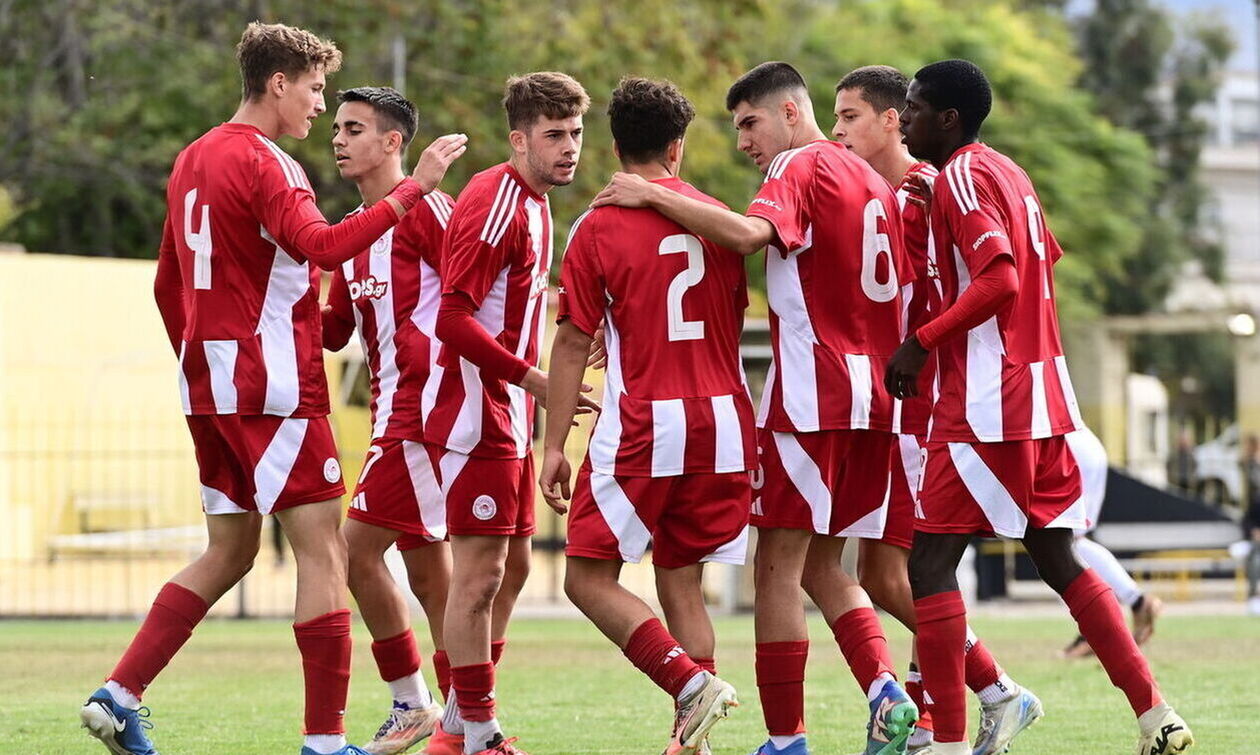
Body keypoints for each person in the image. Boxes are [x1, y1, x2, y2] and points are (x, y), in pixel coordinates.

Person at [78, 22, 466, 755]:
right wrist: (415, 189)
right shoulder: (270, 164)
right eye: (316, 89)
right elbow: (321, 246)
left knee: (229, 549)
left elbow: (169, 283)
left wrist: (206, 359)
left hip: (208, 384)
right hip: (273, 387)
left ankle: (118, 693)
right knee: (326, 550)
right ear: (279, 83)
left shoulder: (192, 158)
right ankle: (326, 740)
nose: (320, 109)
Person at [594, 61, 918, 755]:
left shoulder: (797, 167)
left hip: (813, 395)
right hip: (877, 399)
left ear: (792, 113)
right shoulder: (871, 177)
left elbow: (747, 237)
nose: (744, 141)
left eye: (750, 123)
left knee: (776, 567)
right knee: (828, 567)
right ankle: (893, 690)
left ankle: (786, 739)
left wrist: (651, 195)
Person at [888, 58, 1194, 755]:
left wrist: (921, 341)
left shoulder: (962, 176)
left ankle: (948, 744)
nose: (903, 117)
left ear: (948, 120)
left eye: (913, 106)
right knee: (1057, 554)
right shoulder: (1010, 173)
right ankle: (1156, 714)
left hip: (989, 404)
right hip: (1045, 397)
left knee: (928, 566)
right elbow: (1040, 261)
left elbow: (1000, 275)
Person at [541, 76, 749, 755]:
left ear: (613, 145)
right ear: (677, 148)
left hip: (646, 421)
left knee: (586, 574)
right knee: (680, 575)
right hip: (722, 421)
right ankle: (694, 741)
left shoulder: (599, 223)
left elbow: (573, 339)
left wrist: (553, 445)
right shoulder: (719, 218)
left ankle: (688, 683)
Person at [832, 64, 1035, 755]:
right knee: (898, 568)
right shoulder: (889, 189)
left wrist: (920, 344)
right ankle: (933, 718)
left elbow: (1001, 277)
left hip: (935, 399)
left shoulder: (931, 187)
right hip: (904, 395)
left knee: (905, 568)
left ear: (896, 120)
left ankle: (970, 704)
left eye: (851, 116)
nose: (840, 131)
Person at [425, 71, 591, 755]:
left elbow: (510, 296)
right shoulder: (495, 197)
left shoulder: (536, 202)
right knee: (480, 576)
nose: (570, 147)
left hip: (507, 414)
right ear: (518, 138)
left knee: (516, 568)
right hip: (474, 412)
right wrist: (538, 380)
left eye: (577, 133)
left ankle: (456, 727)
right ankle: (478, 730)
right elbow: (452, 318)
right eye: (555, 134)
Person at [320, 86, 456, 754]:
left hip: (424, 417)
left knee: (352, 548)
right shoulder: (354, 233)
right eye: (338, 128)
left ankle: (413, 703)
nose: (338, 139)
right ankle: (471, 720)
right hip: (392, 420)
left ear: (393, 142)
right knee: (433, 580)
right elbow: (333, 329)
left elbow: (481, 287)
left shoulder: (428, 211)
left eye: (353, 128)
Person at [1062, 426, 1164, 657]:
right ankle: (1119, 612)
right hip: (1083, 441)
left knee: (1066, 545)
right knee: (1069, 544)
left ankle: (1103, 624)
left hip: (1064, 443)